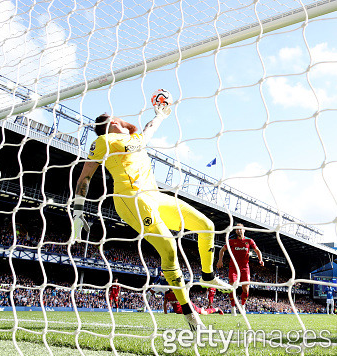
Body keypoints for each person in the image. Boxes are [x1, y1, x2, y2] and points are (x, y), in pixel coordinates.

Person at [71, 103, 230, 331]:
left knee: (206, 224)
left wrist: (159, 114)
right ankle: (188, 312)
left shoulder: (132, 138)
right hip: (131, 199)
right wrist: (78, 211)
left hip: (154, 196)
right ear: (112, 123)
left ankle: (207, 275)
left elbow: (142, 130)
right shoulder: (104, 142)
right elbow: (84, 177)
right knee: (169, 247)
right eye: (116, 119)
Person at [217, 223, 264, 316]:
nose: (239, 230)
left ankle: (243, 305)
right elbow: (222, 250)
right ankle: (233, 307)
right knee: (232, 286)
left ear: (244, 230)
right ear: (235, 231)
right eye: (237, 229)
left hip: (245, 268)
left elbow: (257, 251)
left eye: (240, 229)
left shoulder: (249, 241)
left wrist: (261, 260)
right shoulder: (231, 241)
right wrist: (220, 260)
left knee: (246, 289)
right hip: (233, 267)